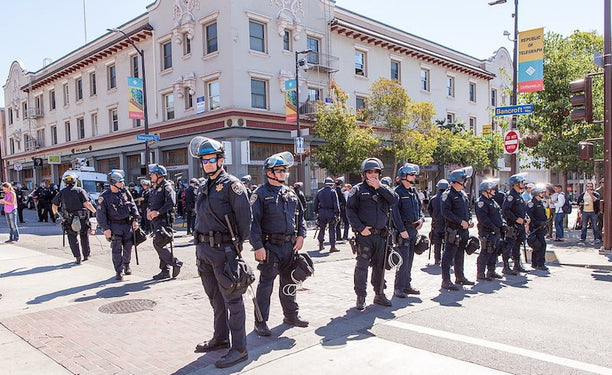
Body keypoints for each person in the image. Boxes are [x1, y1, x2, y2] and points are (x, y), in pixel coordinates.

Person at [189, 137, 251, 369]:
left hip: (224, 251)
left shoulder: (232, 185)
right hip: (204, 251)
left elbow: (245, 221)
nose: (206, 164)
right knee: (215, 299)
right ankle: (221, 338)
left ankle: (239, 348)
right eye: (204, 161)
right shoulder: (205, 185)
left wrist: (235, 247)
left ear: (221, 160)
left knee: (233, 300)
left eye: (211, 160)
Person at [251, 151, 308, 336]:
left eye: (284, 170)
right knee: (266, 285)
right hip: (270, 248)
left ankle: (291, 316)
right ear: (269, 172)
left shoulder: (290, 192)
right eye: (279, 170)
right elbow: (253, 223)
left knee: (289, 282)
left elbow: (301, 217)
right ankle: (260, 322)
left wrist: (301, 236)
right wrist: (258, 246)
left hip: (289, 247)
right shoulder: (259, 194)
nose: (283, 173)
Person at [346, 158, 399, 310]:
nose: (373, 174)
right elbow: (350, 211)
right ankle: (361, 296)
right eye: (370, 172)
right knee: (362, 265)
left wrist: (380, 187)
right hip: (365, 235)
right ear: (364, 174)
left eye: (376, 172)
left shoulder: (384, 188)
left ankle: (379, 294)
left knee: (380, 266)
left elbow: (394, 200)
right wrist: (360, 228)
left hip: (382, 235)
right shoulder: (357, 190)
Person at [96, 171, 140, 281]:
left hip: (126, 224)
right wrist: (105, 229)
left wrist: (135, 219)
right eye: (120, 182)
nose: (122, 183)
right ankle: (119, 271)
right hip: (114, 226)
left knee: (128, 247)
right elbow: (100, 215)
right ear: (113, 182)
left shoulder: (125, 193)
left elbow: (133, 206)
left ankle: (127, 265)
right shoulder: (104, 196)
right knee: (116, 249)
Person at [391, 163, 423, 298]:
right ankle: (398, 287)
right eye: (411, 174)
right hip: (403, 231)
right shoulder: (397, 192)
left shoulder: (413, 191)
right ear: (403, 176)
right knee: (402, 261)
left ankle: (407, 285)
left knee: (410, 260)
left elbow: (419, 208)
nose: (414, 176)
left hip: (413, 229)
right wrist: (401, 230)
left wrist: (421, 219)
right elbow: (395, 213)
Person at [441, 166, 475, 290]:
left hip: (463, 230)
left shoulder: (462, 194)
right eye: (464, 180)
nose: (465, 183)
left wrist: (469, 220)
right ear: (458, 181)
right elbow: (446, 212)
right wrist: (460, 221)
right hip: (453, 230)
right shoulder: (448, 194)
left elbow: (468, 210)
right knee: (448, 256)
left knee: (460, 254)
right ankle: (446, 280)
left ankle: (460, 277)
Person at [147, 163, 183, 280]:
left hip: (164, 220)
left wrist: (158, 212)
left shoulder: (167, 186)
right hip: (156, 220)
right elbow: (151, 202)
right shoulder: (155, 187)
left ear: (159, 175)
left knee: (158, 243)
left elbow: (171, 202)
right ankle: (165, 270)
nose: (151, 177)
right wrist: (149, 211)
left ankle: (175, 262)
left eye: (152, 174)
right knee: (160, 243)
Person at [52, 173, 97, 264]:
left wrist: (56, 214)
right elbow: (87, 204)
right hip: (82, 217)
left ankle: (78, 257)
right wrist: (95, 212)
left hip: (69, 218)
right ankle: (86, 255)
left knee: (72, 237)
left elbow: (54, 205)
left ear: (65, 182)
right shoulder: (80, 190)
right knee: (84, 236)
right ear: (75, 181)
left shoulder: (62, 192)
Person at [474, 180, 504, 281]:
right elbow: (483, 219)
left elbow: (499, 215)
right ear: (486, 191)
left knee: (494, 252)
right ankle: (480, 273)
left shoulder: (492, 201)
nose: (494, 191)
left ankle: (491, 271)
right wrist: (493, 227)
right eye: (492, 190)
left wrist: (502, 225)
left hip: (495, 232)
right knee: (485, 252)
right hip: (487, 232)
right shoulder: (481, 202)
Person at [502, 173, 530, 274]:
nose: (523, 184)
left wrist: (525, 218)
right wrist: (515, 219)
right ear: (515, 184)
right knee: (509, 246)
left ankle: (517, 265)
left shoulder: (519, 195)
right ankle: (506, 267)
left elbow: (521, 209)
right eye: (521, 182)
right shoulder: (511, 195)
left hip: (520, 226)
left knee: (517, 246)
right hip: (512, 226)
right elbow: (505, 210)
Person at [314, 177, 340, 252]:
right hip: (331, 212)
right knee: (332, 229)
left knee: (321, 228)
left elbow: (316, 203)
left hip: (322, 212)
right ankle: (332, 247)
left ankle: (321, 245)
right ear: (331, 184)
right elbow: (336, 203)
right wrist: (337, 214)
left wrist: (317, 212)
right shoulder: (333, 192)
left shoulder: (319, 192)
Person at [526, 186, 549, 270]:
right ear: (536, 194)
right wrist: (538, 223)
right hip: (535, 228)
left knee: (538, 245)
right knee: (540, 245)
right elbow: (529, 216)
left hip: (541, 227)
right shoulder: (531, 203)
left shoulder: (540, 202)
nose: (542, 194)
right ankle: (540, 264)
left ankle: (535, 263)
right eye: (540, 193)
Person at [428, 179, 449, 265]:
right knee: (448, 243)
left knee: (437, 243)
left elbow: (430, 210)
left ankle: (437, 259)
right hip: (446, 223)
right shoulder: (448, 198)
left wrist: (434, 217)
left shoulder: (433, 199)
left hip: (436, 223)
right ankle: (447, 259)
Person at [334, 178, 348, 242]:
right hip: (342, 209)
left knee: (337, 223)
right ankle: (345, 236)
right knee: (346, 223)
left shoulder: (334, 191)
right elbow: (344, 201)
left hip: (335, 209)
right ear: (341, 184)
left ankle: (338, 237)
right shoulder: (340, 191)